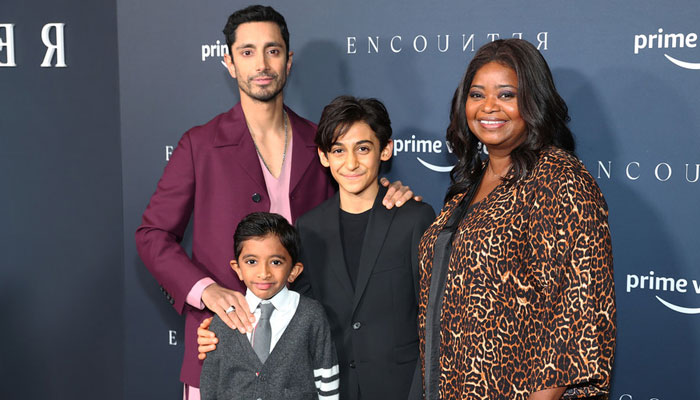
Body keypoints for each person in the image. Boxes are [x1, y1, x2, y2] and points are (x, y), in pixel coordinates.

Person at [135, 5, 414, 399]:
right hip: (218, 350)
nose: (262, 64)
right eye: (247, 52)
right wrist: (206, 291)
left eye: (273, 50)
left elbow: (354, 204)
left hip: (303, 360)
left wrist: (388, 192)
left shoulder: (322, 143)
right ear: (229, 62)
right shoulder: (199, 144)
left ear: (288, 60)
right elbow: (152, 235)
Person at [199, 96, 436, 400]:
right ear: (324, 156)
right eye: (338, 150)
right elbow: (290, 309)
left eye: (363, 149)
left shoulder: (414, 218)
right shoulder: (309, 227)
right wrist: (222, 331)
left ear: (385, 150)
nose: (351, 163)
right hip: (329, 386)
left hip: (398, 387)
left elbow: (432, 316)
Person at [417, 39, 616, 400]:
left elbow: (573, 319)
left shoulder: (558, 179)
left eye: (506, 94)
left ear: (533, 102)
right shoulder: (471, 183)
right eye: (477, 94)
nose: (488, 106)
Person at [200, 212, 339, 400]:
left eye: (275, 262)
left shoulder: (311, 315)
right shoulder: (224, 319)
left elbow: (326, 378)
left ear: (294, 271)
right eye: (251, 262)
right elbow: (210, 384)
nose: (264, 273)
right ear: (238, 269)